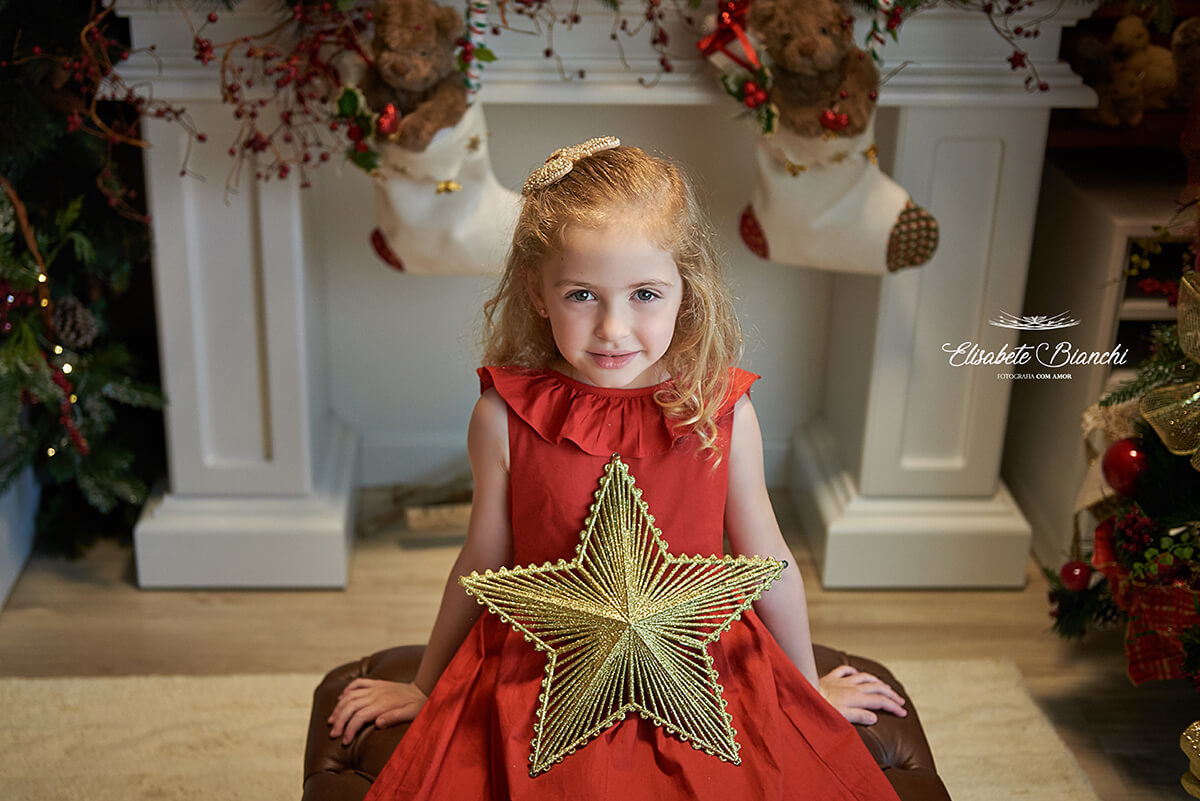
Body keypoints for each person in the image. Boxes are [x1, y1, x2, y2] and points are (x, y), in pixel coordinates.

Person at [329, 138, 907, 800]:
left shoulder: (717, 410)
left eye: (644, 294)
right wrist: (425, 686)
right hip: (544, 665)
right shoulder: (503, 416)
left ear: (685, 289)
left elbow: (767, 559)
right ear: (538, 292)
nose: (613, 327)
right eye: (582, 294)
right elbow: (480, 559)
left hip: (697, 659)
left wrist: (806, 690)